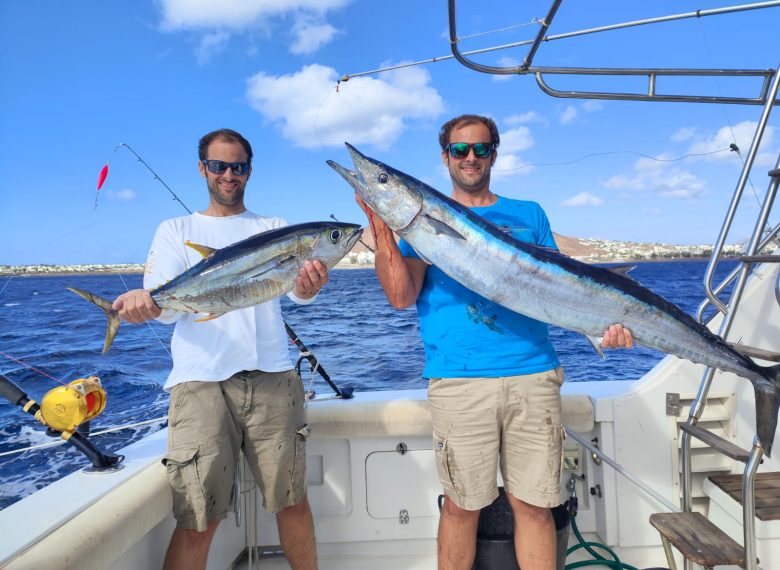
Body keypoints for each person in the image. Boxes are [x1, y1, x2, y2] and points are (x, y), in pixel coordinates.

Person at [356, 114, 633, 570]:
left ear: (494, 154)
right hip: (460, 380)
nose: (471, 158)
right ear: (445, 156)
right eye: (460, 150)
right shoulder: (419, 222)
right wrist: (382, 224)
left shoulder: (529, 214)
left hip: (533, 375)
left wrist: (609, 324)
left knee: (535, 506)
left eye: (480, 149)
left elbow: (564, 289)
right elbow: (402, 296)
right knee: (463, 507)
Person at [113, 128, 323, 570]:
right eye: (219, 165)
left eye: (239, 166)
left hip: (272, 377)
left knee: (291, 502)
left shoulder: (273, 228)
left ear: (250, 170)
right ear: (202, 168)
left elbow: (296, 291)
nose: (229, 174)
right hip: (201, 382)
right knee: (197, 517)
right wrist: (142, 305)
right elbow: (165, 308)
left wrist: (310, 286)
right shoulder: (176, 230)